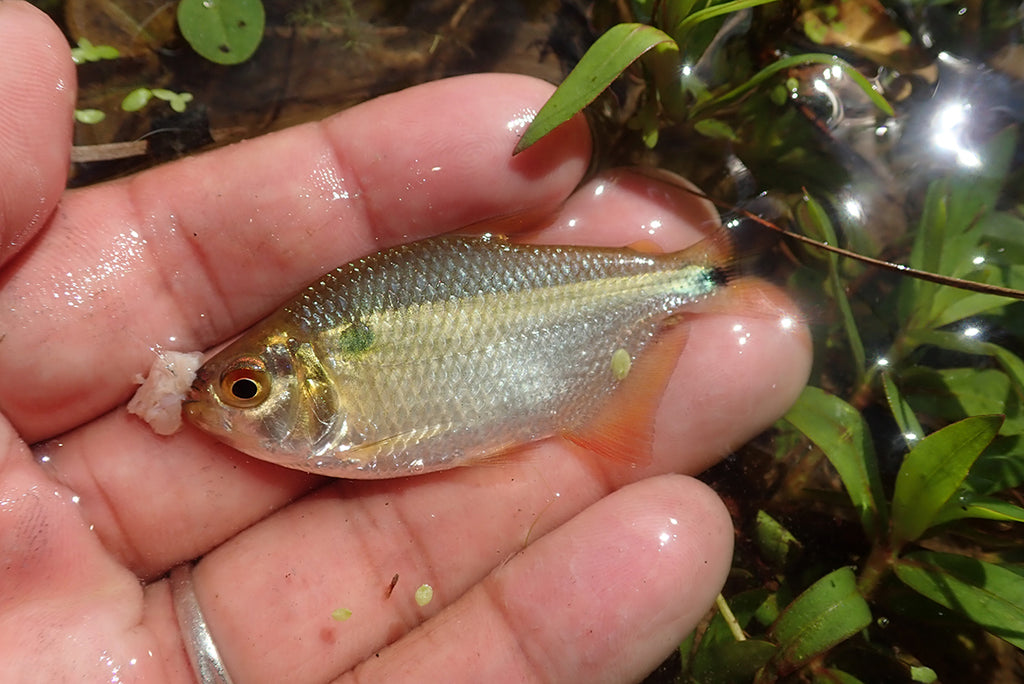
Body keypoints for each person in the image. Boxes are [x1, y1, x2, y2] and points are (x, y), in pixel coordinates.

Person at [0, 2, 810, 681]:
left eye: (245, 389)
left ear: (299, 375)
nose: (225, 405)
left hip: (596, 300)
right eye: (240, 389)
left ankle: (714, 277)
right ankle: (721, 273)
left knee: (694, 319)